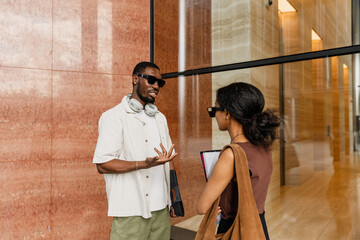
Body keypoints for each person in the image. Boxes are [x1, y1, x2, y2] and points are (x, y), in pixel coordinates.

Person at [93, 62, 178, 240]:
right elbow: (103, 164)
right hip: (131, 212)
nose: (156, 86)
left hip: (161, 211)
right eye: (151, 80)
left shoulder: (160, 118)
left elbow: (168, 160)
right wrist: (143, 164)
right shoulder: (113, 117)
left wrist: (174, 197)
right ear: (135, 79)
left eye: (159, 83)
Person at [197, 82, 280, 240]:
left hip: (235, 230)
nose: (215, 116)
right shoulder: (264, 147)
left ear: (227, 113)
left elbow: (202, 207)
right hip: (259, 228)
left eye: (215, 110)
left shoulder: (232, 154)